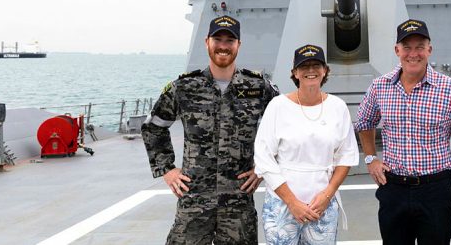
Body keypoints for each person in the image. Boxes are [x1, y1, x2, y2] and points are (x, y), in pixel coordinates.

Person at [142, 15, 279, 245]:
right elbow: (154, 127)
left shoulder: (258, 87)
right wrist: (166, 169)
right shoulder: (185, 87)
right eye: (218, 39)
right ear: (207, 42)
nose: (223, 46)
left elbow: (283, 128)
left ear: (238, 45)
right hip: (194, 200)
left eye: (230, 40)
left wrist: (263, 167)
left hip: (238, 203)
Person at [355, 19, 451, 245]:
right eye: (407, 47)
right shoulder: (380, 86)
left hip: (435, 191)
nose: (413, 54)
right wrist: (371, 158)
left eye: (419, 47)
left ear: (429, 50)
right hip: (393, 188)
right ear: (397, 50)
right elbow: (364, 122)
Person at [254, 44, 359, 244]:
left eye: (316, 65)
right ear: (295, 72)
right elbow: (263, 157)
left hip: (322, 205)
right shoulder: (278, 106)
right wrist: (292, 202)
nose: (310, 70)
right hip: (282, 206)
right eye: (304, 66)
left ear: (325, 70)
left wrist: (327, 196)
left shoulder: (338, 107)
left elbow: (346, 155)